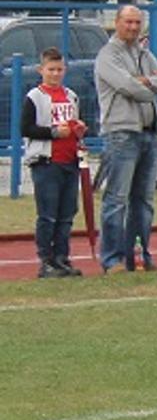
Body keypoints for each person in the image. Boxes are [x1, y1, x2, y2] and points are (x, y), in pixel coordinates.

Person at [94, 5, 157, 274]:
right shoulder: (107, 55)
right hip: (121, 133)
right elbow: (129, 88)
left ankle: (139, 256)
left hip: (149, 133)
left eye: (137, 22)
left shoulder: (143, 53)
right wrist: (147, 86)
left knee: (144, 200)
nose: (133, 27)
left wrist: (143, 82)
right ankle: (112, 259)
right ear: (117, 23)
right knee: (117, 199)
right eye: (128, 21)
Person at [21, 48, 87, 278]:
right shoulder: (34, 97)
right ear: (41, 70)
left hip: (69, 161)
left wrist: (78, 130)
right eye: (51, 69)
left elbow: (75, 124)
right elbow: (26, 128)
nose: (55, 74)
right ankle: (46, 260)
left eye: (59, 70)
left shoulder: (71, 96)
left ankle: (62, 257)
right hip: (47, 162)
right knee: (48, 214)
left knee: (67, 214)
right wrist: (53, 132)